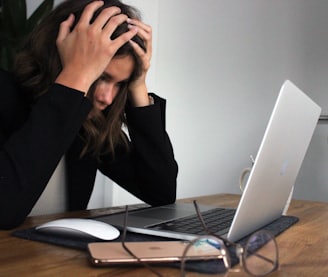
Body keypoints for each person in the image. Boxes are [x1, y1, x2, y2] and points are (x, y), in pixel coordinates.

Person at [0, 0, 178, 229]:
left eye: (120, 84)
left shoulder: (88, 122)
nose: (107, 98)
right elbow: (5, 211)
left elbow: (161, 192)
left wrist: (138, 86)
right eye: (101, 76)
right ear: (59, 55)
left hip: (54, 262)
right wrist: (76, 76)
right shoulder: (5, 94)